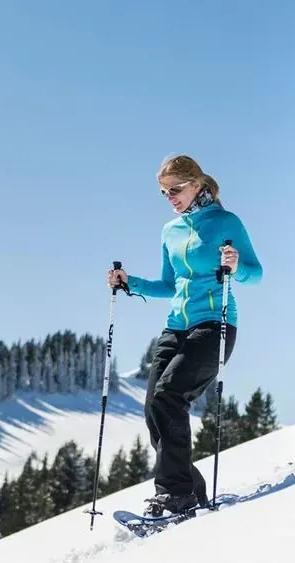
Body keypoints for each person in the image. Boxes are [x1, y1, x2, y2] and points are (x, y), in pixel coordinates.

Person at [107, 154, 263, 518]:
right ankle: (190, 489)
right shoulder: (170, 231)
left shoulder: (226, 222)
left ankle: (174, 495)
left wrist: (236, 266)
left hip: (215, 324)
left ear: (198, 184)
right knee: (154, 411)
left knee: (168, 397)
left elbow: (255, 273)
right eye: (164, 193)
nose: (171, 198)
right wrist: (131, 283)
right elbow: (167, 284)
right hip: (175, 328)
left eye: (176, 190)